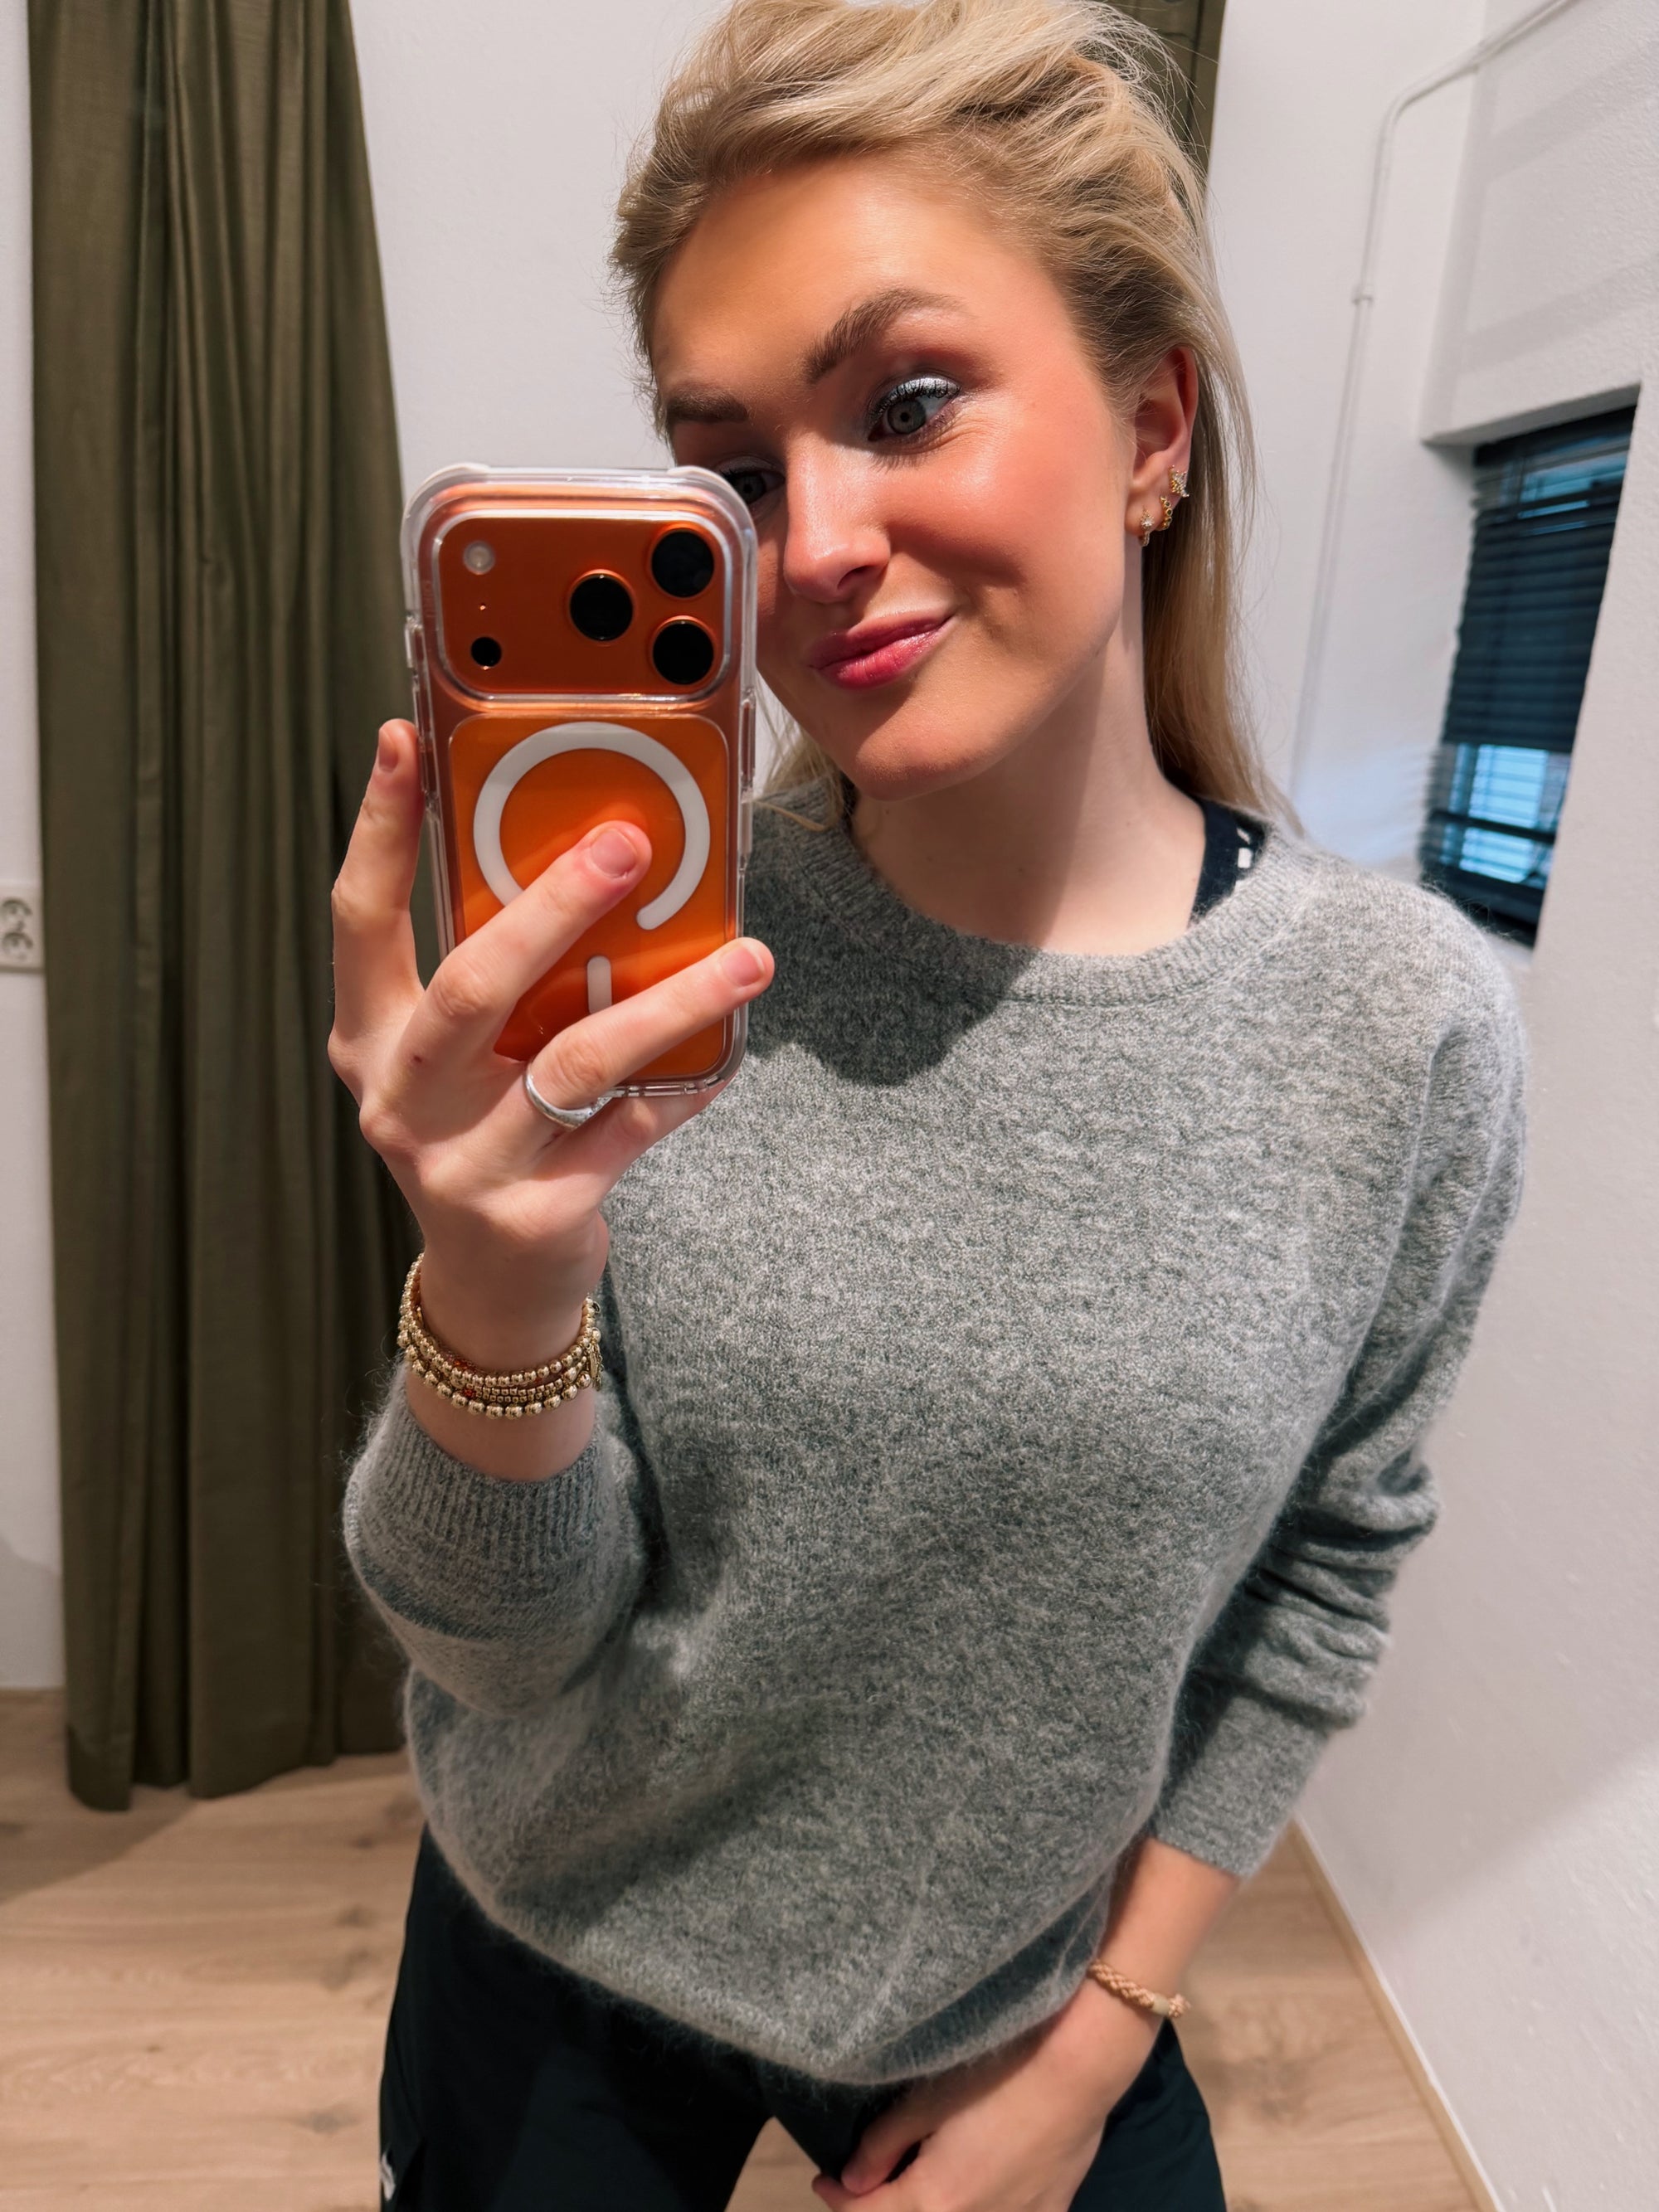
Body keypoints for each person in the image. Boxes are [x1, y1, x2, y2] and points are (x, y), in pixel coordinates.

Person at [328, 2, 1529, 2205]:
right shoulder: (650, 976)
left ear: (1153, 425)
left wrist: (1107, 2031)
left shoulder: (1405, 1033)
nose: (812, 544)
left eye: (906, 405)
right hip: (563, 1948)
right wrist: (491, 1293)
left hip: (1028, 1987)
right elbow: (501, 1649)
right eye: (736, 469)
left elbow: (1327, 1559)